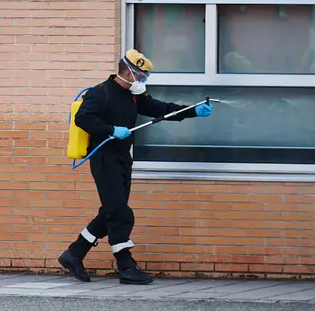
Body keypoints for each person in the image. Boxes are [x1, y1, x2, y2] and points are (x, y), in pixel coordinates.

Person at [58, 49, 213, 285]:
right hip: (104, 158)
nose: (143, 80)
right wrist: (111, 130)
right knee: (120, 214)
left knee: (111, 210)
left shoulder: (133, 96)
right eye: (141, 75)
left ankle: (74, 254)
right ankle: (126, 266)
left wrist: (192, 111)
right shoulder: (100, 93)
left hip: (122, 158)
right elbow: (83, 118)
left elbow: (160, 109)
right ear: (128, 73)